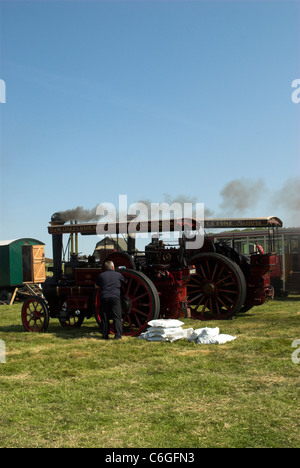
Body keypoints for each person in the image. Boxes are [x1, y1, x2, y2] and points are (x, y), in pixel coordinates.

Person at [95, 261, 125, 340]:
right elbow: (125, 282)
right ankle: (118, 336)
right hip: (115, 298)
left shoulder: (101, 275)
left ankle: (105, 336)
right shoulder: (118, 275)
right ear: (113, 267)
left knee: (105, 317)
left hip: (104, 297)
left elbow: (96, 286)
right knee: (117, 317)